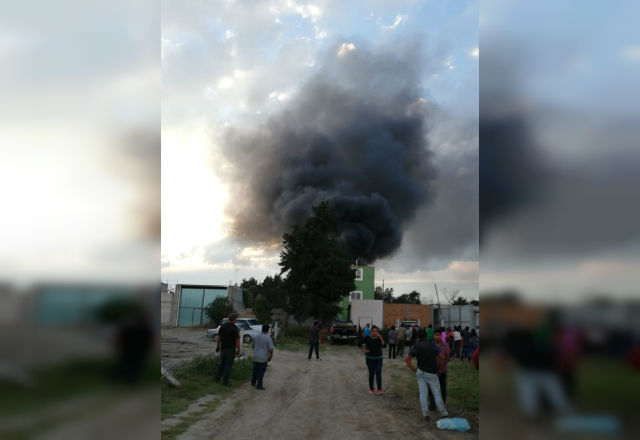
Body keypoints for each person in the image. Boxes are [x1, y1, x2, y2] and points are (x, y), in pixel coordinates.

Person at [405, 328, 448, 422]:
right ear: (426, 335)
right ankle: (443, 413)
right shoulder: (432, 344)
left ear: (418, 337)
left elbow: (407, 359)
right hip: (432, 372)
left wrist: (413, 369)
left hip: (420, 372)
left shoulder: (416, 346)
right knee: (437, 393)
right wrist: (439, 368)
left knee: (423, 393)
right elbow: (442, 357)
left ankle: (426, 414)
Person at [215, 313, 241, 386]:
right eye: (236, 318)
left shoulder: (222, 326)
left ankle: (217, 378)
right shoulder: (235, 328)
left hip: (223, 348)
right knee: (228, 365)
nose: (237, 319)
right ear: (234, 319)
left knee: (222, 364)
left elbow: (219, 337)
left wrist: (217, 346)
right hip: (231, 349)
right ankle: (225, 382)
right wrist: (238, 349)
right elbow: (237, 340)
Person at [359, 325, 386, 394]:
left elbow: (384, 345)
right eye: (373, 331)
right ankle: (371, 389)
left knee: (378, 373)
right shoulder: (367, 337)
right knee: (371, 374)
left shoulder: (379, 338)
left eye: (376, 331)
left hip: (379, 359)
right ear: (371, 332)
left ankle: (379, 389)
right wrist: (364, 350)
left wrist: (381, 337)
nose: (375, 333)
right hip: (370, 359)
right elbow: (359, 343)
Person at [429, 328, 451, 410]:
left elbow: (448, 358)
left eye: (439, 335)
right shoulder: (430, 345)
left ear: (441, 336)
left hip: (443, 370)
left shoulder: (446, 345)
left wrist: (440, 368)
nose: (437, 337)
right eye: (435, 335)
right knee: (432, 388)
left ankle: (442, 404)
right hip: (432, 371)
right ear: (433, 336)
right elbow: (428, 358)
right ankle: (432, 405)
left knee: (442, 388)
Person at [251, 324, 274, 390]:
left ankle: (253, 382)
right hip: (263, 358)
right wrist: (270, 356)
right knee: (261, 372)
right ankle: (259, 385)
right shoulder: (268, 338)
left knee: (255, 371)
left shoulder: (256, 336)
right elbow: (271, 349)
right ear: (268, 330)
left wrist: (256, 351)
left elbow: (253, 346)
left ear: (262, 329)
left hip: (255, 357)